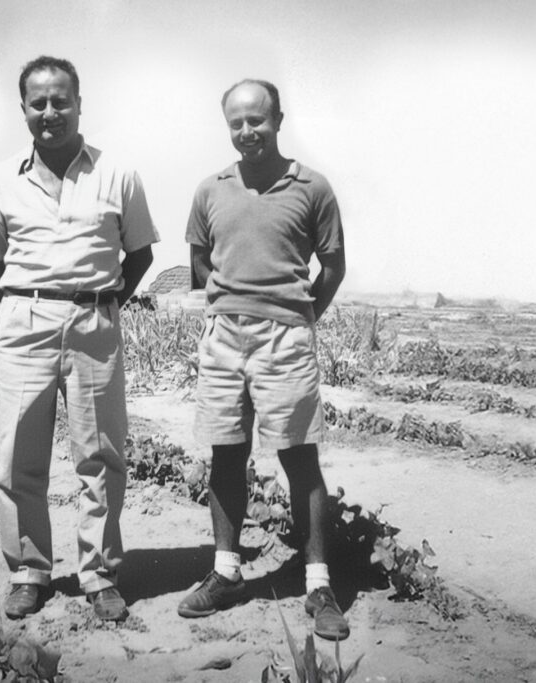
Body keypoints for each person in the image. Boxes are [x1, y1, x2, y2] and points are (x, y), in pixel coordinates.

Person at [0, 55, 159, 621]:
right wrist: (27, 304)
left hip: (94, 322)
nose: (50, 112)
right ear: (23, 108)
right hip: (24, 323)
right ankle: (29, 572)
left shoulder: (117, 174)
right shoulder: (0, 179)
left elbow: (140, 254)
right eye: (38, 103)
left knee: (101, 455)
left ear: (79, 104)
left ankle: (99, 574)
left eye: (61, 101)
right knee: (17, 455)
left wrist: (100, 302)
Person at [177, 79, 349, 640]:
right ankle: (227, 573)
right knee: (226, 454)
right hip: (223, 339)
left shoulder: (312, 188)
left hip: (286, 340)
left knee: (300, 457)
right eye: (237, 123)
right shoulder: (210, 190)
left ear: (278, 120)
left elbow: (333, 266)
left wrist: (299, 316)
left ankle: (319, 585)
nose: (247, 131)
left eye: (257, 120)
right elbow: (200, 261)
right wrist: (231, 305)